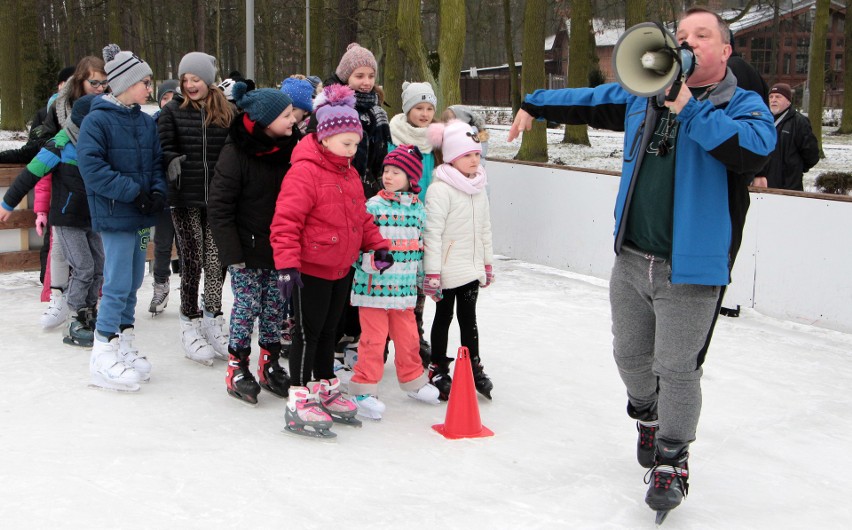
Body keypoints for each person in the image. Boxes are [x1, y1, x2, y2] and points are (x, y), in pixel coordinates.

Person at [507, 7, 776, 520]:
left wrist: (687, 106)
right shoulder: (643, 93)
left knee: (676, 368)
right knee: (631, 359)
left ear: (725, 50)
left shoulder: (743, 104)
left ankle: (673, 457)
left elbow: (755, 151)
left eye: (701, 35)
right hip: (631, 258)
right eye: (681, 35)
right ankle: (646, 416)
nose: (688, 42)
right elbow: (589, 99)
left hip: (690, 270)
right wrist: (534, 103)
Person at [270, 84, 392, 439]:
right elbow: (285, 223)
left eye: (356, 143)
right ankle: (299, 394)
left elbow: (361, 218)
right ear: (324, 137)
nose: (353, 150)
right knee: (307, 335)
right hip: (309, 269)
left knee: (328, 332)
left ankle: (323, 385)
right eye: (346, 143)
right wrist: (286, 267)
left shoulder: (349, 173)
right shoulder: (304, 172)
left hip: (341, 267)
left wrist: (378, 245)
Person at [77, 44, 167, 392]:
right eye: (145, 82)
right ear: (127, 83)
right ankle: (102, 350)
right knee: (115, 284)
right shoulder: (97, 120)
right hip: (116, 214)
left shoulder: (144, 121)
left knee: (132, 282)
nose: (149, 88)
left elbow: (157, 162)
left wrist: (157, 192)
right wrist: (133, 192)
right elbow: (93, 169)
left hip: (141, 216)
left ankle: (123, 339)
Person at [208, 82, 299, 405]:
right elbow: (219, 207)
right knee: (247, 309)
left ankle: (269, 363)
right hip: (245, 250)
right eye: (286, 115)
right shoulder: (236, 152)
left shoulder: (293, 148)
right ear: (264, 120)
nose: (293, 120)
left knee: (275, 308)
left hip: (281, 247)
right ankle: (237, 366)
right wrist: (232, 253)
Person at [0, 95, 104, 348]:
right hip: (67, 219)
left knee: (99, 266)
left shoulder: (102, 146)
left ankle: (90, 311)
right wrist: (8, 203)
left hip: (95, 218)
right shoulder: (58, 146)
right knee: (83, 267)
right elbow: (30, 174)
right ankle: (76, 317)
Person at [348, 145, 441, 420]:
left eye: (396, 172)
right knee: (373, 341)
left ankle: (413, 380)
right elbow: (356, 242)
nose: (388, 176)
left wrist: (427, 280)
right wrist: (368, 263)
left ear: (411, 178)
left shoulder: (418, 210)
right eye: (386, 170)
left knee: (409, 338)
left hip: (403, 291)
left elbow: (422, 248)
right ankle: (364, 389)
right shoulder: (373, 207)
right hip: (373, 290)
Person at [158, 52, 235, 365]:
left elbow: (235, 149)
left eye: (196, 78)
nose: (190, 85)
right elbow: (161, 146)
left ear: (208, 79)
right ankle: (189, 321)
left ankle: (213, 317)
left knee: (216, 262)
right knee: (192, 260)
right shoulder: (172, 112)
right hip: (185, 197)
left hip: (217, 200)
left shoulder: (227, 111)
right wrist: (169, 160)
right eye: (185, 79)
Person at [321, 43, 392, 359]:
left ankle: (354, 335)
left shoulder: (378, 110)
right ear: (344, 76)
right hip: (337, 194)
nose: (365, 81)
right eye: (358, 75)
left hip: (368, 195)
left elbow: (382, 156)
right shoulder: (332, 107)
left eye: (370, 75)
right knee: (340, 266)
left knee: (361, 267)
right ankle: (332, 336)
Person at [422, 119, 495, 401]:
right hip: (446, 270)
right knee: (444, 318)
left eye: (477, 154)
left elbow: (485, 228)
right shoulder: (440, 189)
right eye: (467, 155)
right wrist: (432, 273)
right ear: (452, 158)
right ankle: (438, 366)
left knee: (469, 319)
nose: (475, 160)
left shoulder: (478, 188)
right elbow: (433, 233)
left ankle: (473, 364)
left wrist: (486, 263)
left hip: (471, 267)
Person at [387, 80, 439, 368]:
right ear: (407, 109)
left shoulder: (436, 141)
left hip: (424, 218)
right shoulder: (394, 135)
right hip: (396, 219)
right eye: (418, 107)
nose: (424, 113)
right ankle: (381, 336)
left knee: (417, 281)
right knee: (390, 277)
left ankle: (415, 333)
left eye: (429, 107)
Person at [149, 79, 181, 316]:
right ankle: (160, 285)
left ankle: (190, 294)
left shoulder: (186, 121)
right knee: (161, 244)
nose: (168, 102)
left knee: (187, 246)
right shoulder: (152, 124)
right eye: (164, 98)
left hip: (185, 195)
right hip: (162, 194)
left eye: (173, 97)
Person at [0, 65, 75, 164]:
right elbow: (30, 150)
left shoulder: (84, 110)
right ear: (61, 85)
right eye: (71, 83)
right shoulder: (44, 113)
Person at [752, 83, 819, 191]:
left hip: (789, 188)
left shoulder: (799, 122)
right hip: (762, 185)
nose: (773, 100)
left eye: (778, 97)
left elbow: (811, 154)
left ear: (788, 100)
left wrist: (795, 169)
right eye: (771, 97)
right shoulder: (762, 120)